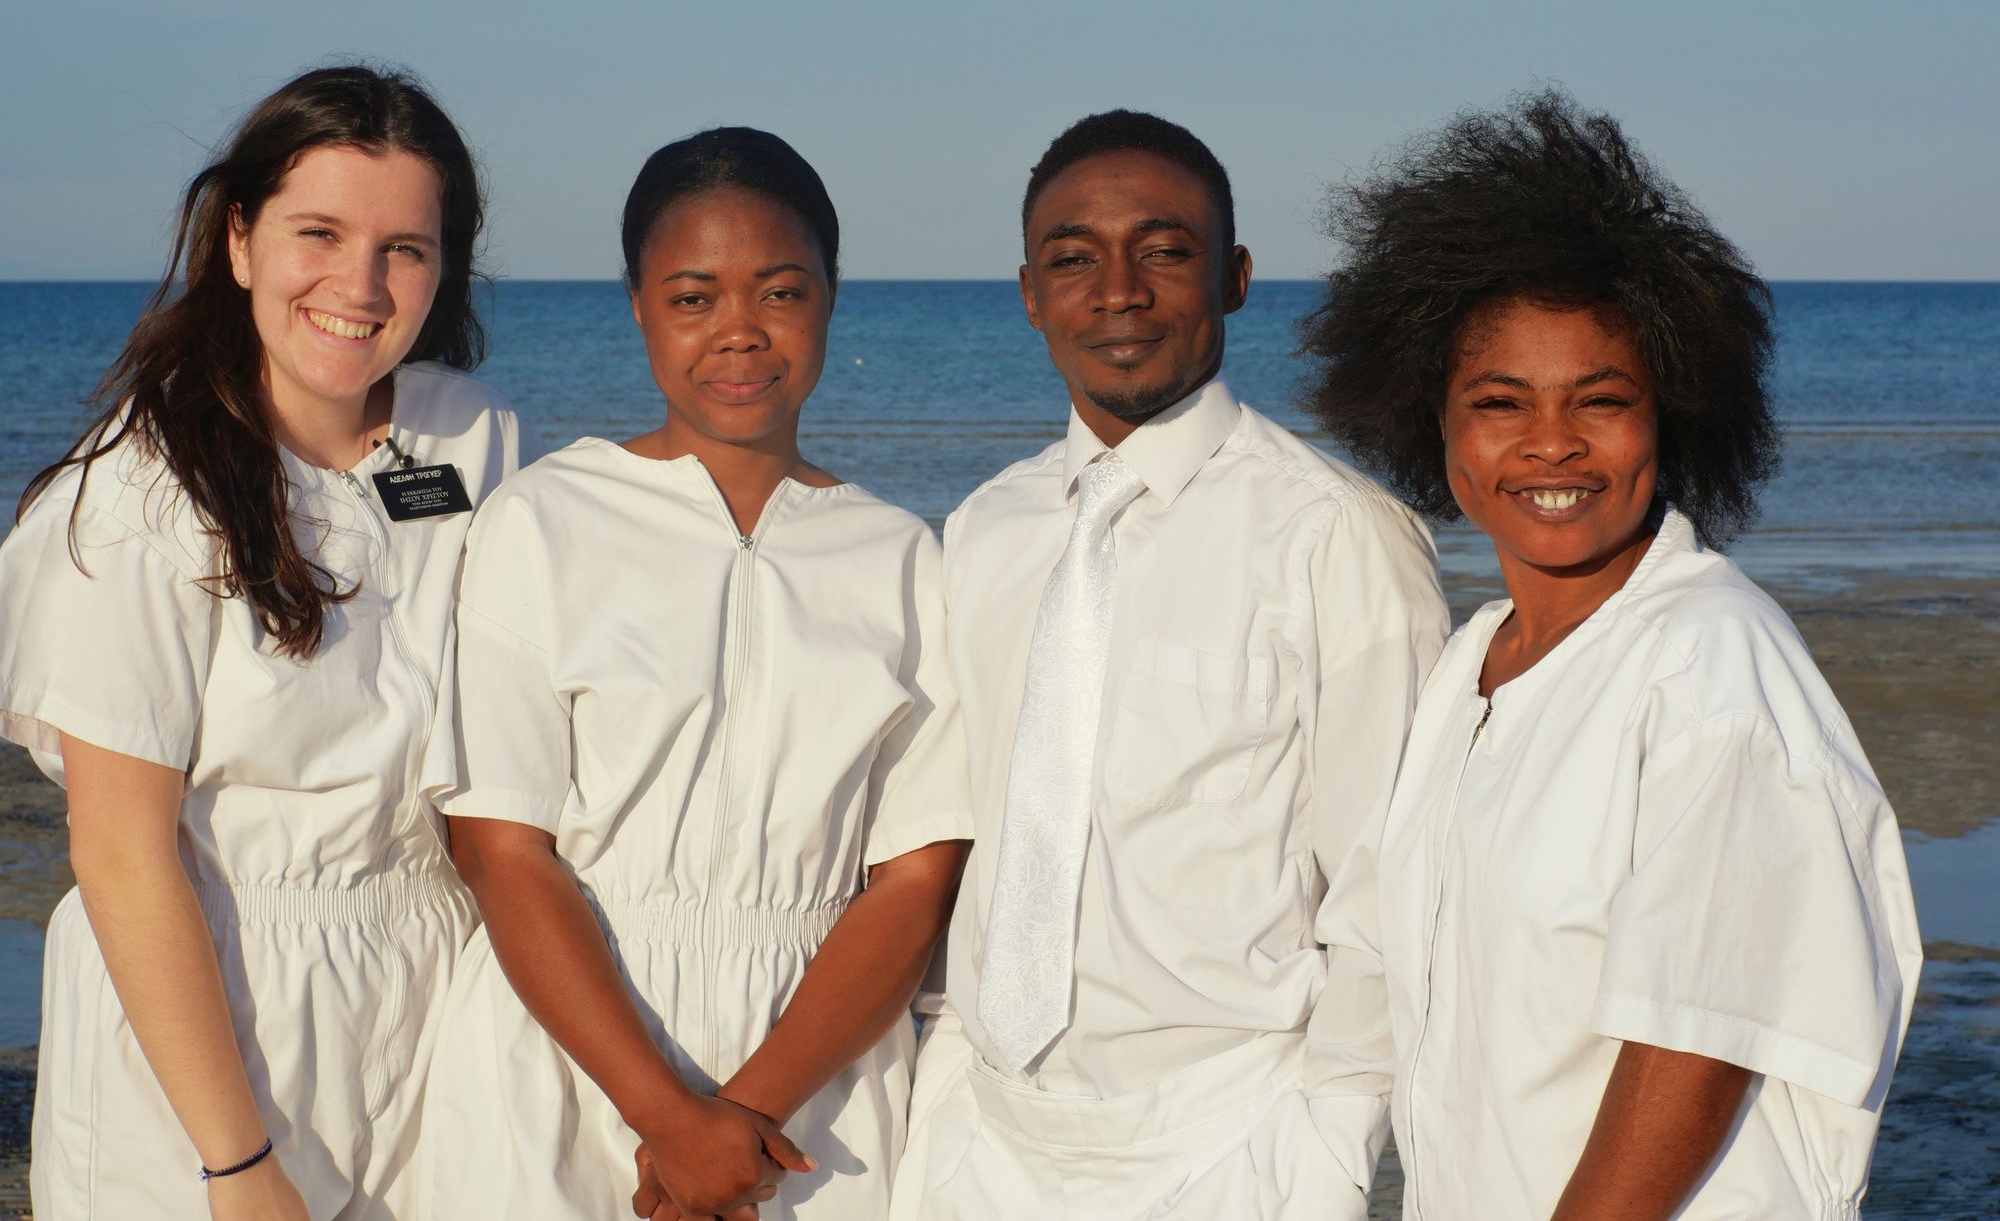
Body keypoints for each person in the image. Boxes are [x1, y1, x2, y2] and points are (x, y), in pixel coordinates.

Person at [1300, 90, 1922, 1218]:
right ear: (1430, 423)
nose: (1550, 442)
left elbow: (1694, 1042)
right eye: (1499, 401)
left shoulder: (1710, 658)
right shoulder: (1471, 665)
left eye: (1601, 400)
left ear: (1669, 418)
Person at [0, 65, 538, 1219]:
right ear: (238, 238)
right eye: (319, 232)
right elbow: (122, 857)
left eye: (406, 246)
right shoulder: (137, 502)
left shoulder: (474, 440)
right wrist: (237, 1168)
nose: (360, 282)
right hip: (207, 1014)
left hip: (431, 991)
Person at [890, 111, 1450, 1220]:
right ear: (1027, 293)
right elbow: (968, 829)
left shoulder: (1336, 535)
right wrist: (941, 1071)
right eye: (1072, 260)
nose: (1118, 291)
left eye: (1162, 249)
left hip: (1227, 1142)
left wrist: (1326, 1146)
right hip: (978, 1129)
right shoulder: (986, 529)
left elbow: (1391, 885)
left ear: (1233, 276)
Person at [420, 127, 973, 1221]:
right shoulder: (544, 520)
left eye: (778, 291)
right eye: (691, 297)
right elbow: (501, 848)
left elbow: (913, 878)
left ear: (828, 296)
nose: (738, 332)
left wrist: (744, 1120)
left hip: (818, 1084)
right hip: (571, 1055)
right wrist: (665, 1117)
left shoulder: (897, 553)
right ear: (636, 305)